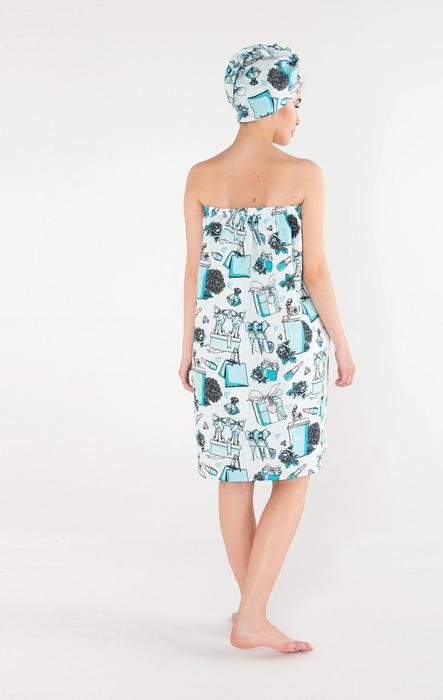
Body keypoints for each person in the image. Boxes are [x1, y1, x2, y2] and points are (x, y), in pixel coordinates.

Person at [178, 43, 355, 653]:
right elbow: (316, 273)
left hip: (218, 350)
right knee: (292, 475)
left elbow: (194, 271)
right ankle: (251, 616)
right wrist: (342, 343)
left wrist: (187, 347)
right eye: (296, 103)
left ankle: (248, 610)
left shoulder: (200, 176)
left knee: (234, 477)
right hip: (289, 349)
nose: (298, 118)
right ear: (275, 100)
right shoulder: (303, 175)